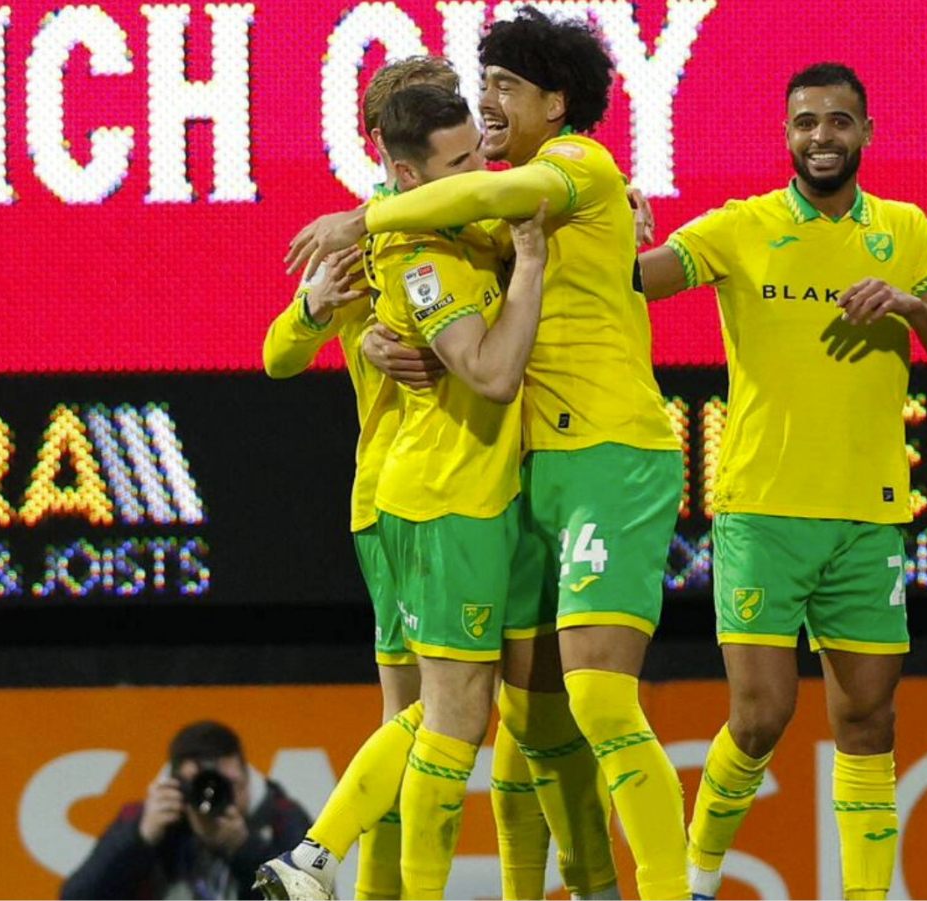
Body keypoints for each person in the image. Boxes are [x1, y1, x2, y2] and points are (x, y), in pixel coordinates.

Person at [286, 8, 687, 898]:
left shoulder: (571, 166)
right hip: (526, 472)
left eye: (505, 85)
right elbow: (459, 253)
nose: (490, 103)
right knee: (535, 725)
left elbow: (474, 203)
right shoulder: (508, 210)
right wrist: (367, 330)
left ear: (557, 99)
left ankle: (664, 886)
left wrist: (364, 218)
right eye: (485, 85)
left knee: (593, 703)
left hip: (610, 455)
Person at [634, 62, 927, 900]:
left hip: (868, 517)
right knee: (759, 718)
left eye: (837, 122)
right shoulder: (742, 226)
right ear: (785, 135)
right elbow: (638, 283)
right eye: (805, 123)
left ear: (867, 132)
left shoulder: (905, 229)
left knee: (868, 721)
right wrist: (619, 242)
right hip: (763, 508)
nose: (821, 137)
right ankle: (695, 880)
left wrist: (909, 304)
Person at [258, 85, 547, 900]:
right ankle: (318, 856)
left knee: (413, 727)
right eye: (460, 162)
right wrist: (315, 310)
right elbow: (277, 355)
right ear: (398, 162)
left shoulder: (456, 221)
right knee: (446, 720)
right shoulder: (392, 249)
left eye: (479, 154)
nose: (481, 170)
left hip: (419, 497)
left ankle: (333, 874)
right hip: (421, 494)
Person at [62, 721, 310, 901]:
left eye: (227, 785)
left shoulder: (283, 817)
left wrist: (244, 850)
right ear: (177, 785)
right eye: (199, 786)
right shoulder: (149, 819)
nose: (212, 797)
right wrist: (140, 840)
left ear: (248, 778)